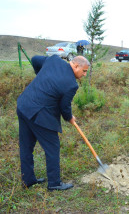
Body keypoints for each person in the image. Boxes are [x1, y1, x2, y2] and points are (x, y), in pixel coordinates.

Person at [17, 55, 89, 191]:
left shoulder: (53, 60)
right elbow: (64, 107)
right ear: (75, 65)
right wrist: (69, 118)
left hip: (23, 105)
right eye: (84, 71)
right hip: (39, 113)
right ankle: (54, 183)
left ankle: (28, 180)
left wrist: (40, 75)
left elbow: (34, 59)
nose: (84, 74)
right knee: (52, 147)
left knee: (26, 146)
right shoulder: (71, 85)